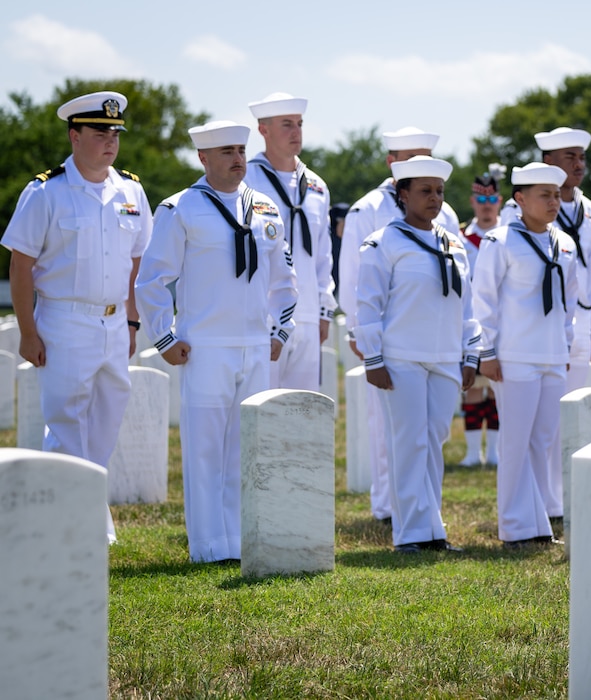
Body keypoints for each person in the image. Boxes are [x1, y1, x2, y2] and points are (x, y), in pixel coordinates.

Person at [135, 120, 298, 564]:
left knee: (247, 449)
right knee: (206, 450)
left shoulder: (264, 207)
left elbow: (285, 279)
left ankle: (242, 541)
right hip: (204, 347)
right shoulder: (180, 208)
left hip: (254, 347)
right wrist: (165, 338)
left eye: (241, 150)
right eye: (226, 151)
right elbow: (151, 280)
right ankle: (209, 546)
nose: (237, 159)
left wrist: (281, 330)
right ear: (203, 158)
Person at [2, 90, 152, 545]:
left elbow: (137, 258)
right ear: (74, 135)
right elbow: (21, 265)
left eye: (115, 133)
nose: (110, 140)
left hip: (112, 326)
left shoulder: (131, 190)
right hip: (64, 320)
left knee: (105, 424)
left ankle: (86, 512)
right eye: (100, 131)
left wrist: (130, 321)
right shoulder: (45, 192)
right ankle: (64, 524)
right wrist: (28, 332)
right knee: (67, 422)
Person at [354, 156, 479, 553]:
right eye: (425, 191)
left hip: (444, 357)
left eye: (439, 191)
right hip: (401, 358)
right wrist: (373, 359)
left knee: (434, 442)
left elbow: (467, 305)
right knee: (408, 444)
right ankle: (410, 534)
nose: (434, 199)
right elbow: (367, 306)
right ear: (402, 194)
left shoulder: (453, 243)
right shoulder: (383, 244)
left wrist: (471, 353)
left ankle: (432, 529)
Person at [338, 126, 459, 523]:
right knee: (390, 430)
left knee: (429, 436)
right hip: (394, 342)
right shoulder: (368, 210)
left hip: (437, 342)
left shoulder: (447, 217)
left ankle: (423, 513)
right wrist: (363, 336)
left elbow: (457, 283)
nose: (434, 194)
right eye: (412, 158)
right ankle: (390, 506)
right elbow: (354, 278)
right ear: (394, 164)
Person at [472, 162, 578, 547]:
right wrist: (486, 351)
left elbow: (569, 304)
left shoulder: (564, 243)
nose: (554, 202)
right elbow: (482, 300)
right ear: (519, 199)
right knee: (515, 441)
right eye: (544, 195)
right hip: (514, 355)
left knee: (544, 440)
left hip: (551, 355)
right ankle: (515, 525)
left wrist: (565, 346)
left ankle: (537, 523)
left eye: (556, 195)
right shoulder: (500, 242)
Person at [246, 92, 337, 391]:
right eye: (286, 124)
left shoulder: (316, 185)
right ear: (264, 129)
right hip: (263, 314)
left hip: (309, 314)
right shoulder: (246, 181)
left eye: (299, 123)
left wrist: (324, 311)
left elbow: (324, 255)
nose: (296, 132)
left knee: (303, 415)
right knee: (262, 409)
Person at [504, 127, 591, 394]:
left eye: (582, 157)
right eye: (570, 156)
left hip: (579, 321)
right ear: (548, 161)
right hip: (531, 327)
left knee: (567, 416)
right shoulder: (519, 210)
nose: (579, 164)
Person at [458, 168, 505, 467]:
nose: (486, 204)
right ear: (473, 201)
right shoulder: (462, 238)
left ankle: (496, 451)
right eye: (480, 198)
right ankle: (473, 452)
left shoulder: (510, 235)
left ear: (499, 201)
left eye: (491, 198)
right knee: (473, 388)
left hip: (504, 323)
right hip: (472, 323)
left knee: (499, 388)